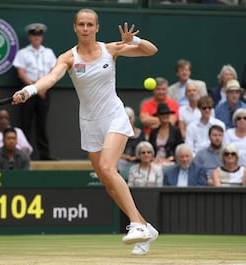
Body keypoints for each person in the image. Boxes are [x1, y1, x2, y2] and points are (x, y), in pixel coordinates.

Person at [11, 9, 158, 254]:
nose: (86, 28)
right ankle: (145, 227)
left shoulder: (111, 49)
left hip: (114, 117)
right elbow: (50, 78)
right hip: (89, 123)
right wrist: (30, 90)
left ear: (97, 27)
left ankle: (135, 225)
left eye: (90, 24)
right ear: (75, 27)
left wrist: (134, 41)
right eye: (82, 24)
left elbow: (151, 50)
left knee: (110, 168)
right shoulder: (68, 58)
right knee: (108, 183)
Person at [13, 22, 57, 160]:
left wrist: (42, 87)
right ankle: (25, 155)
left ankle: (45, 155)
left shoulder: (48, 52)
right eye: (34, 35)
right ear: (30, 37)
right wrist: (34, 88)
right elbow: (21, 72)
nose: (36, 37)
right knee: (25, 123)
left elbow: (53, 71)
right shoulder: (23, 53)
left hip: (44, 92)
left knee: (42, 124)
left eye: (39, 35)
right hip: (27, 92)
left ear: (41, 37)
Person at [149, 103, 183, 167]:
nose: (165, 115)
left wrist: (172, 158)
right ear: (158, 116)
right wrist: (153, 159)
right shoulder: (153, 132)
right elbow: (150, 148)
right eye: (162, 114)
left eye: (167, 113)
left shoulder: (176, 130)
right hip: (155, 161)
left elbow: (180, 147)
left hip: (171, 161)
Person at [118, 106, 145, 180]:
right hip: (122, 160)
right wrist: (125, 157)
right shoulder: (118, 134)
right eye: (125, 119)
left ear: (133, 119)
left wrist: (137, 157)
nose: (128, 121)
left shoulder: (140, 133)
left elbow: (143, 148)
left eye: (129, 118)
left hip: (138, 160)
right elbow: (114, 152)